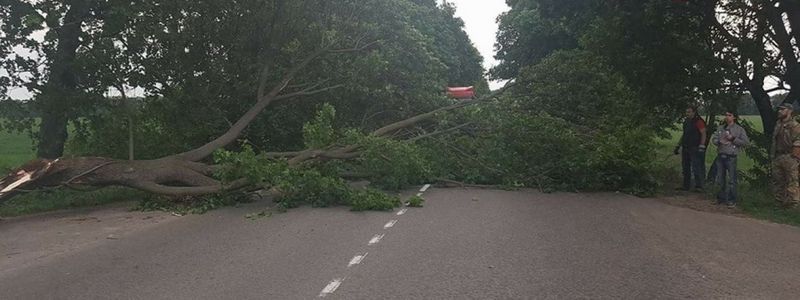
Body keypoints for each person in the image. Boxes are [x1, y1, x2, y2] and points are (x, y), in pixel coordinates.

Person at [711, 109, 749, 207]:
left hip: (731, 156)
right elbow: (714, 139)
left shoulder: (739, 129)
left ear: (734, 117)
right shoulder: (721, 128)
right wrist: (718, 141)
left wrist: (733, 139)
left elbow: (745, 143)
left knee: (732, 179)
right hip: (721, 155)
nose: (727, 117)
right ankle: (721, 198)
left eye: (729, 115)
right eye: (726, 115)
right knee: (720, 179)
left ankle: (732, 200)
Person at [771, 103, 800, 209]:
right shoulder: (778, 124)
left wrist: (795, 157)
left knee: (792, 180)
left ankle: (792, 204)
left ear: (790, 111)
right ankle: (779, 202)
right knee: (778, 180)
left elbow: (797, 141)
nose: (780, 111)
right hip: (778, 155)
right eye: (779, 109)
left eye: (783, 109)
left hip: (789, 156)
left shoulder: (795, 125)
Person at [674, 106, 707, 192]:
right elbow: (684, 134)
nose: (687, 114)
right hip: (686, 146)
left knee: (696, 167)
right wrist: (678, 145)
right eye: (686, 112)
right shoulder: (686, 122)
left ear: (694, 112)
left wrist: (702, 145)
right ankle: (686, 185)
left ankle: (699, 186)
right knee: (685, 167)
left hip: (695, 147)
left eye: (689, 112)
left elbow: (703, 133)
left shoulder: (698, 121)